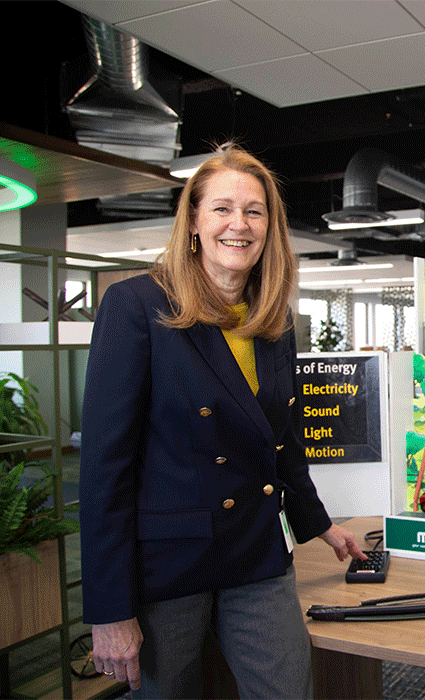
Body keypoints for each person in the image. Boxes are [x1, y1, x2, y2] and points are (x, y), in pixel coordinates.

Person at [79, 145, 366, 699]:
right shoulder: (136, 305)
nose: (240, 224)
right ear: (193, 221)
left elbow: (280, 443)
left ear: (270, 228)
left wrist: (320, 525)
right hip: (169, 565)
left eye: (254, 212)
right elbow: (104, 469)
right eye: (222, 209)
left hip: (256, 553)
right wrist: (110, 610)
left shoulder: (273, 318)